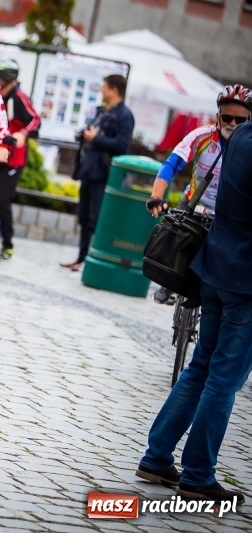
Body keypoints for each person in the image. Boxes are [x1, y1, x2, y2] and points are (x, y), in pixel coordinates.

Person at [134, 120, 252, 504]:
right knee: (223, 379)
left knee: (200, 368)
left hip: (213, 265)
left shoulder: (241, 136)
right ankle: (198, 475)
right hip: (245, 279)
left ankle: (156, 458)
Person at [145, 84, 252, 304]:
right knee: (171, 233)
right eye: (228, 118)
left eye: (240, 121)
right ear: (218, 116)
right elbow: (172, 163)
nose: (233, 124)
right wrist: (156, 195)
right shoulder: (202, 136)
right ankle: (167, 283)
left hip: (228, 212)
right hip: (194, 202)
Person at [60, 74, 134, 272]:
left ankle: (92, 259)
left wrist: (95, 140)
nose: (101, 90)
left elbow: (121, 145)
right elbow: (91, 132)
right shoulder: (102, 112)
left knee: (96, 218)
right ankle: (81, 257)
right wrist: (84, 135)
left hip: (104, 174)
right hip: (88, 171)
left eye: (104, 87)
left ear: (113, 90)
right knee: (84, 217)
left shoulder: (124, 115)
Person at [0, 58, 41, 261]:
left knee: (1, 201)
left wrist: (23, 134)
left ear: (8, 79)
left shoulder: (18, 97)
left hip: (13, 160)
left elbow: (35, 120)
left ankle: (7, 245)